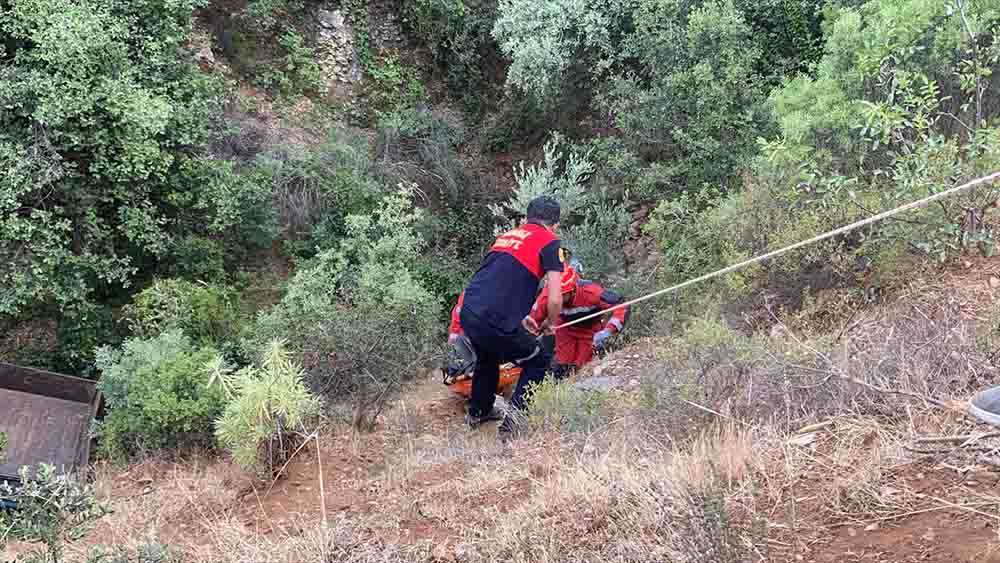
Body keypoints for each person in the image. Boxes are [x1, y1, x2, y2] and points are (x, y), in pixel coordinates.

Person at [458, 196, 564, 430]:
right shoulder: (550, 241)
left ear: (528, 218)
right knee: (538, 360)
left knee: (487, 356)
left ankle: (478, 412)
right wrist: (550, 322)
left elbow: (498, 280)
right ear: (554, 224)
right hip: (494, 317)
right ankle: (513, 427)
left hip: (470, 310)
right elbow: (555, 297)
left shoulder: (506, 237)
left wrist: (518, 317)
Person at [528, 265, 629, 377]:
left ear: (572, 290)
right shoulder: (547, 296)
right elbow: (532, 322)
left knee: (584, 368)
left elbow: (621, 305)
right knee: (562, 367)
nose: (556, 299)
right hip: (564, 328)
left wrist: (608, 331)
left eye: (561, 295)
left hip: (589, 330)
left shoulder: (591, 292)